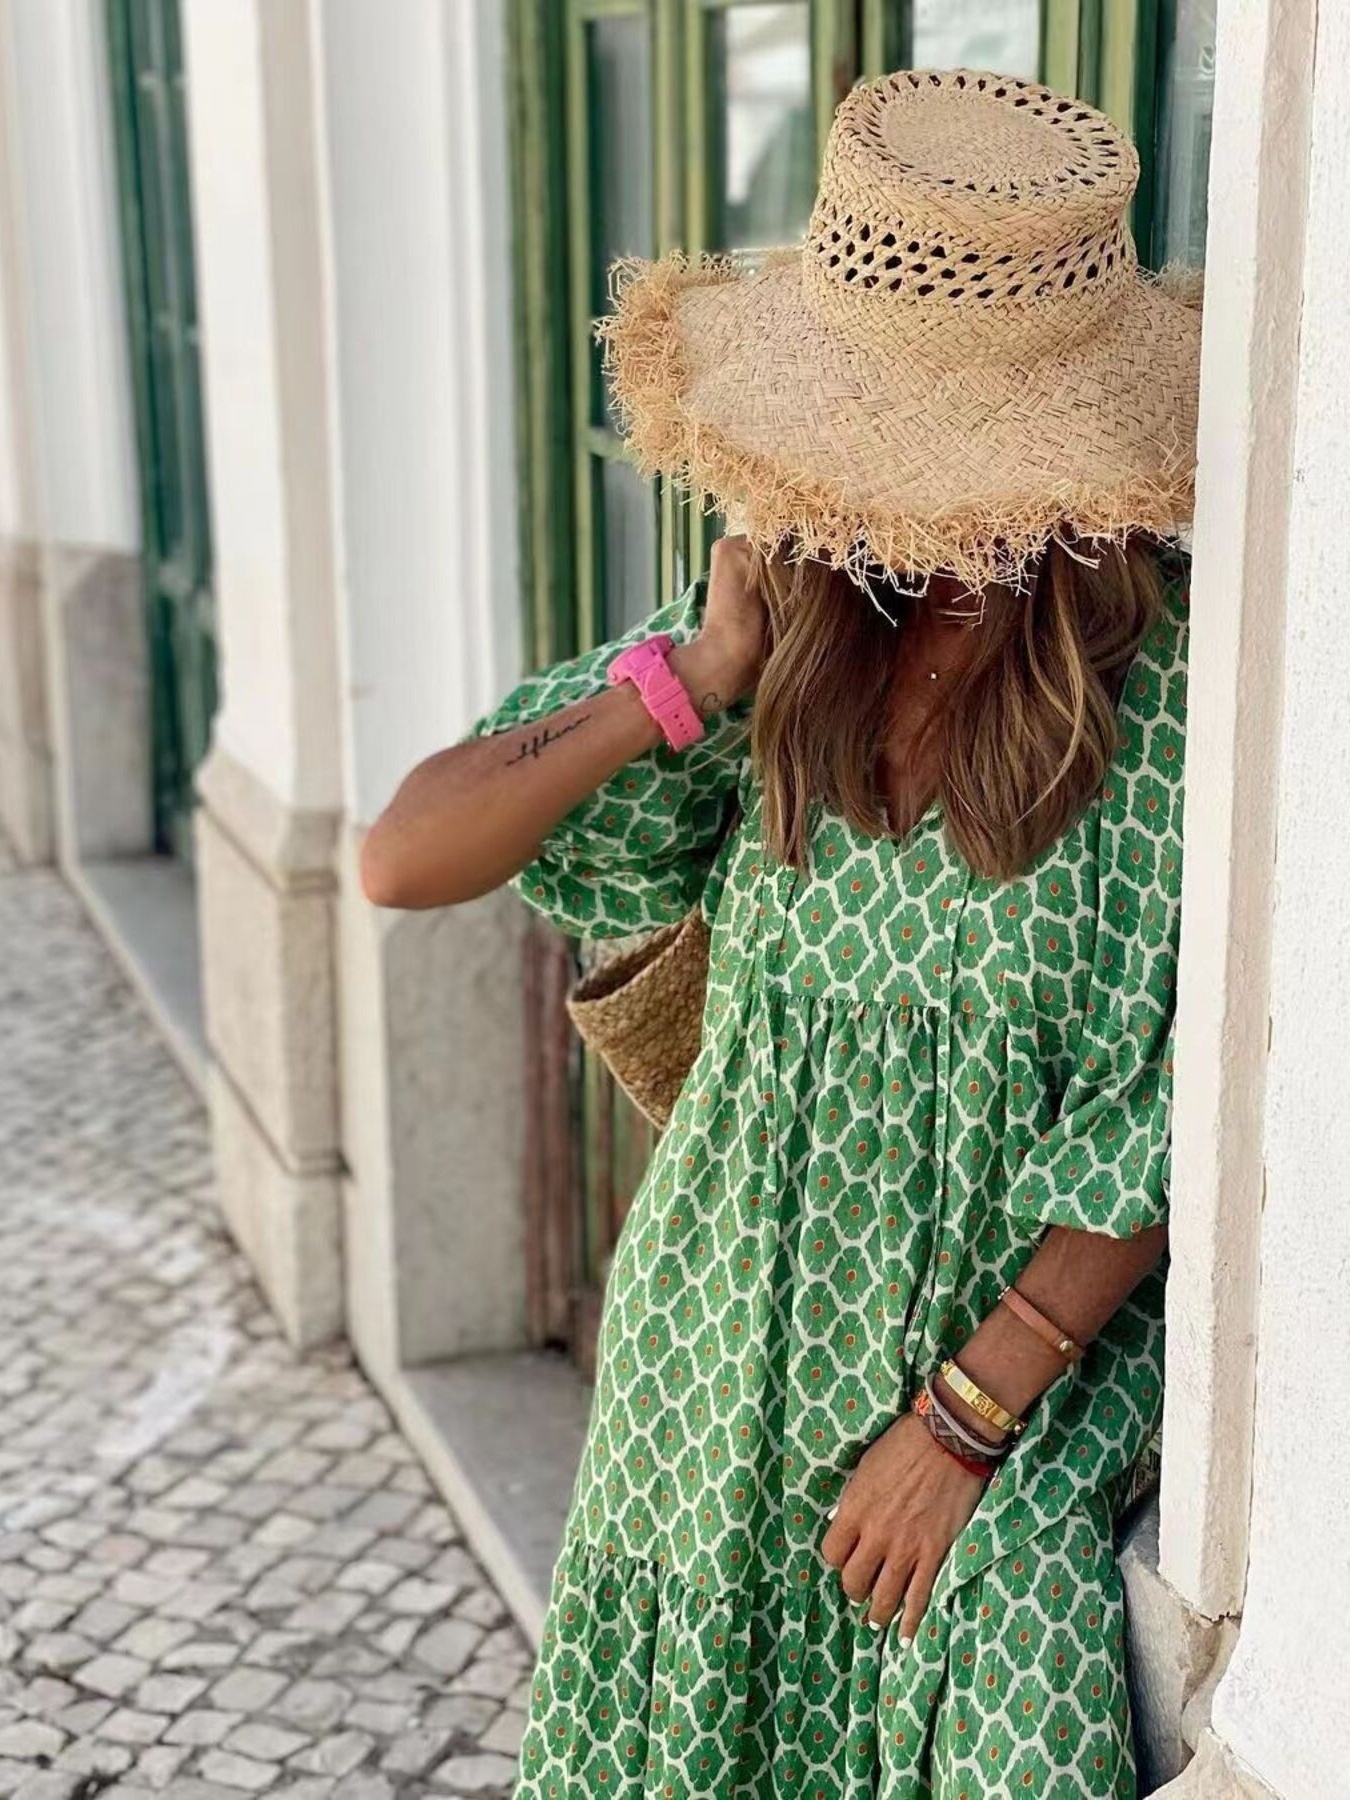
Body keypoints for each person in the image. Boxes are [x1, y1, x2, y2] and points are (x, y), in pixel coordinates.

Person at [362, 67, 1199, 1800]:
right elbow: (403, 857)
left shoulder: (1162, 697)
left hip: (999, 1386)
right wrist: (685, 680)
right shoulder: (792, 631)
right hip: (712, 1354)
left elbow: (1166, 1105)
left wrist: (967, 1420)